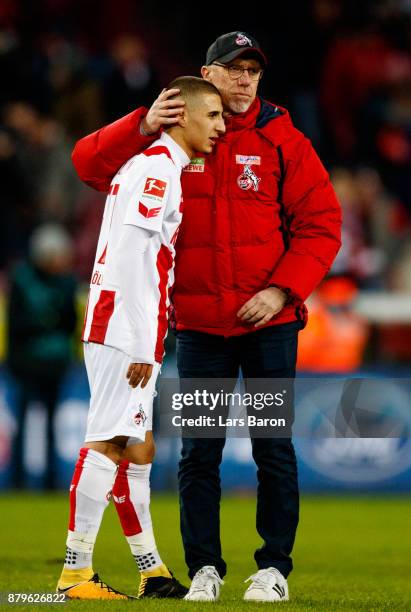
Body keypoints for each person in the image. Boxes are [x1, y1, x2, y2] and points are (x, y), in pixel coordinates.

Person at [71, 31, 342, 602]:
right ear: (206, 75)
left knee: (273, 445)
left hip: (267, 326)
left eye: (253, 71)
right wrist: (139, 125)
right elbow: (89, 167)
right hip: (198, 330)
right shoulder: (173, 134)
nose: (244, 81)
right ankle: (204, 568)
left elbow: (322, 225)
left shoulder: (283, 140)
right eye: (233, 69)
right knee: (199, 450)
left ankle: (273, 568)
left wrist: (282, 290)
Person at [56, 76, 225, 600]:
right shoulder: (156, 171)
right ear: (184, 115)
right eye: (214, 114)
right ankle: (75, 573)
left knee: (138, 447)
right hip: (123, 329)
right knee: (108, 440)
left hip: (127, 327)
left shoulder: (159, 166)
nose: (221, 126)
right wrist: (137, 345)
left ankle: (151, 571)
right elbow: (131, 258)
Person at [7, 223, 77, 489]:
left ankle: (49, 481)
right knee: (22, 424)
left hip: (53, 365)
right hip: (26, 364)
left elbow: (70, 321)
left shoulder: (67, 282)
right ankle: (17, 481)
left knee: (49, 425)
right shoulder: (22, 279)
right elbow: (17, 324)